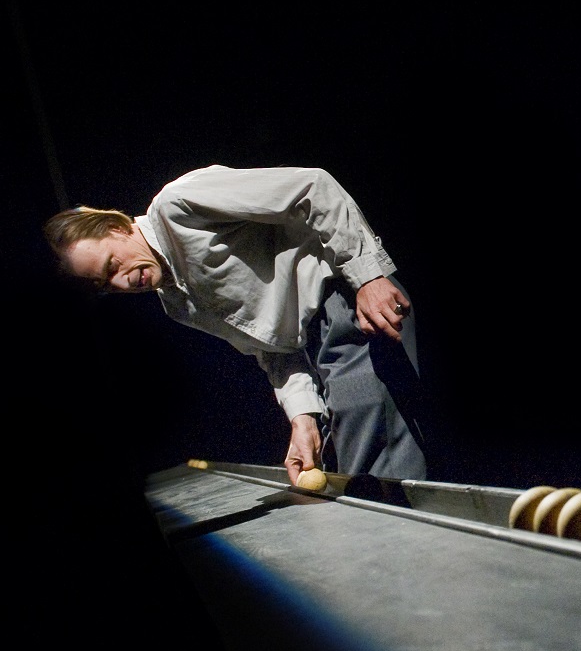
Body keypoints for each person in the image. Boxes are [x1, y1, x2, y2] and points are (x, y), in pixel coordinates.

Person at [43, 164, 436, 484]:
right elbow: (272, 348)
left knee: (370, 452)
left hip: (344, 296)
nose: (121, 282)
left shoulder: (177, 205)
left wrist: (367, 276)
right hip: (317, 342)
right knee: (348, 462)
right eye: (106, 285)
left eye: (112, 265)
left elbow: (311, 186)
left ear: (116, 228)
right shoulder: (178, 304)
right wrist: (302, 417)